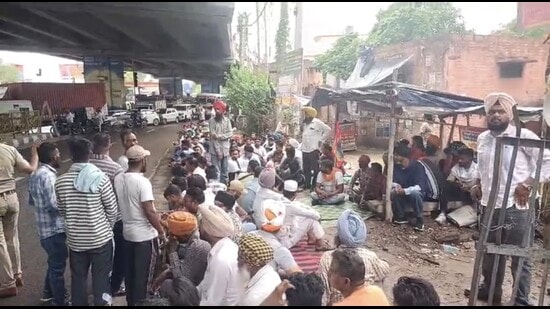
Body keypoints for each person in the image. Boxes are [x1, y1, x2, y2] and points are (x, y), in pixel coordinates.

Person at [469, 93, 550, 306]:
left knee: (520, 255)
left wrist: (528, 183)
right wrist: (478, 183)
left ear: (510, 115)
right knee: (490, 253)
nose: (495, 115)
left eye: (500, 111)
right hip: (490, 203)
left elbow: (547, 161)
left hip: (517, 206)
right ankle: (491, 291)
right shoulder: (483, 138)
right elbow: (482, 165)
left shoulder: (523, 136)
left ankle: (520, 300)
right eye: (492, 112)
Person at [55, 138, 118, 306]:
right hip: (100, 240)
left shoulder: (60, 182)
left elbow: (62, 212)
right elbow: (112, 210)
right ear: (90, 154)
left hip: (76, 243)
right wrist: (105, 228)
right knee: (101, 280)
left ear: (71, 155)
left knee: (78, 280)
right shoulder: (101, 179)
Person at [113, 145, 166, 306]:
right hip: (145, 236)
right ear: (142, 160)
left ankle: (131, 302)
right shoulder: (142, 182)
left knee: (130, 274)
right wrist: (161, 231)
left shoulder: (119, 178)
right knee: (143, 277)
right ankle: (141, 303)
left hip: (127, 232)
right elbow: (149, 211)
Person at [318, 210, 390, 305]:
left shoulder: (328, 258)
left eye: (332, 272)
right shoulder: (377, 292)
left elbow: (323, 295)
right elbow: (384, 270)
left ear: (346, 282)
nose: (330, 273)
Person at [28, 143, 69, 305]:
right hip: (54, 229)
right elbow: (54, 205)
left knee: (54, 262)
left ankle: (47, 293)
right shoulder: (49, 177)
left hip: (43, 228)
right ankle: (60, 301)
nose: (60, 156)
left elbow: (31, 200)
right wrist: (69, 208)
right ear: (53, 158)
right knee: (58, 267)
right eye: (58, 154)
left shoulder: (35, 175)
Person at [0, 139, 38, 298]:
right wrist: (34, 155)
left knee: (0, 242)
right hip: (12, 199)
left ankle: (7, 284)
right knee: (12, 237)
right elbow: (30, 169)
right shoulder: (8, 149)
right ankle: (17, 274)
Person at [89, 133, 126, 297]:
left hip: (93, 219)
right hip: (115, 219)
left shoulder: (86, 165)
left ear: (92, 146)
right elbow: (119, 196)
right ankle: (115, 286)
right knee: (118, 255)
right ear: (109, 145)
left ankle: (100, 288)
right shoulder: (115, 168)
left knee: (99, 259)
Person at [153, 211, 210, 291]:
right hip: (190, 281)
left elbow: (181, 279)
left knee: (167, 285)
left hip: (194, 290)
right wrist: (167, 272)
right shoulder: (192, 238)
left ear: (184, 235)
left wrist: (172, 251)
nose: (172, 237)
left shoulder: (197, 246)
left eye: (173, 235)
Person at [197, 204, 239, 306]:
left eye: (201, 224)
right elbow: (205, 285)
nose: (198, 228)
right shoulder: (227, 245)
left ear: (207, 230)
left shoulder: (221, 260)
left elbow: (212, 301)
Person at [251, 200, 302, 275]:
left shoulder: (249, 235)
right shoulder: (279, 249)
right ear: (281, 227)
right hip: (264, 283)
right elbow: (298, 276)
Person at [280, 180, 330, 251]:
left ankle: (312, 239)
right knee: (312, 219)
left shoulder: (278, 200)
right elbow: (314, 215)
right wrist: (318, 216)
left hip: (280, 236)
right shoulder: (291, 207)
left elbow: (302, 207)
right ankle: (320, 244)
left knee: (305, 216)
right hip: (286, 240)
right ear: (295, 194)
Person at [391, 145, 430, 232]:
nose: (394, 156)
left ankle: (419, 220)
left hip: (417, 193)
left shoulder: (418, 167)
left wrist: (405, 191)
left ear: (403, 156)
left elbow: (420, 186)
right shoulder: (396, 167)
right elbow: (392, 180)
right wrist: (396, 185)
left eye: (396, 154)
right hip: (403, 193)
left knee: (414, 193)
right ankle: (400, 217)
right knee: (394, 192)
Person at [237, 234, 281, 306]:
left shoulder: (252, 298)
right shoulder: (271, 272)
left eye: (239, 257)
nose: (237, 260)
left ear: (247, 263)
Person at [301, 107, 332, 190]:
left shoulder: (317, 122)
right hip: (305, 149)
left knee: (315, 169)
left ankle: (314, 185)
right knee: (306, 169)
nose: (305, 116)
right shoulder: (305, 124)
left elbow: (328, 130)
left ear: (310, 114)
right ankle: (307, 185)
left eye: (306, 114)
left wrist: (321, 140)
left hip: (313, 149)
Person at [209, 100, 233, 184]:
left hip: (225, 150)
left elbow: (230, 133)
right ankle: (217, 188)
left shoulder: (227, 121)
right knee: (217, 171)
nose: (217, 111)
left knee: (225, 171)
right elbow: (213, 137)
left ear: (223, 110)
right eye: (215, 109)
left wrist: (220, 136)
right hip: (215, 151)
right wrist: (218, 151)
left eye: (218, 109)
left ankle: (224, 187)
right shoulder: (212, 121)